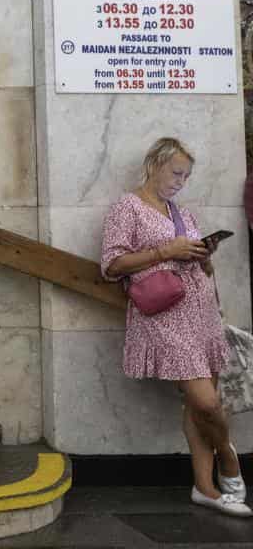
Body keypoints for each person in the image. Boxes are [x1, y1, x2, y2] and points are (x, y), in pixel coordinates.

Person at [101, 138, 250, 517]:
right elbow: (112, 266)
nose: (181, 181)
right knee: (206, 401)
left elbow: (203, 269)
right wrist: (166, 252)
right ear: (155, 164)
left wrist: (203, 257)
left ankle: (205, 488)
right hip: (164, 315)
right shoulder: (127, 207)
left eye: (186, 176)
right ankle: (229, 458)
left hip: (200, 312)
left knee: (196, 406)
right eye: (176, 172)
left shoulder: (181, 213)